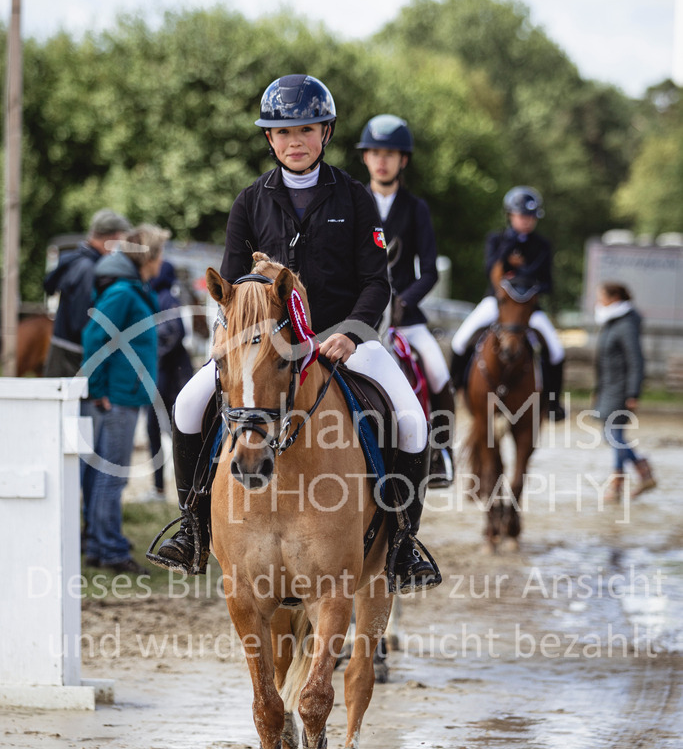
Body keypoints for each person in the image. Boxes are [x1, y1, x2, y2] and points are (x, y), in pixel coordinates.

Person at [152, 73, 441, 593]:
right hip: (265, 347)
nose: (295, 141)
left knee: (412, 420)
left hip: (342, 340)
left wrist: (352, 334)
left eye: (306, 130)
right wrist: (237, 338)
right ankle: (192, 527)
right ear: (270, 138)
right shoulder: (250, 201)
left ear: (325, 133)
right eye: (283, 132)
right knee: (187, 406)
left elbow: (377, 282)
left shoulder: (355, 198)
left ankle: (403, 543)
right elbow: (231, 285)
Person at [357, 114, 455, 487]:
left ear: (404, 160)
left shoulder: (416, 209)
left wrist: (403, 301)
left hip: (405, 316)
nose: (381, 160)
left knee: (438, 371)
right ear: (365, 158)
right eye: (375, 153)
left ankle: (441, 452)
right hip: (359, 315)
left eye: (390, 154)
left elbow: (429, 270)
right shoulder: (352, 202)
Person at [80, 224, 168, 573]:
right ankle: (110, 549)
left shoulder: (135, 290)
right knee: (111, 476)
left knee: (107, 475)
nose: (163, 261)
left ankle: (100, 545)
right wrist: (98, 390)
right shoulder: (123, 293)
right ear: (149, 257)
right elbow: (94, 337)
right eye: (160, 253)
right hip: (117, 397)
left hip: (125, 394)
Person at [450, 186, 566, 420]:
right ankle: (455, 388)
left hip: (528, 309)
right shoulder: (497, 239)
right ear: (510, 215)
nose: (526, 221)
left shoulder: (542, 245)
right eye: (522, 216)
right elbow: (489, 270)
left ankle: (553, 402)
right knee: (460, 340)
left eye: (531, 217)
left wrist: (522, 273)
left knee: (556, 350)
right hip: (496, 302)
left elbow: (547, 283)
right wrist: (508, 248)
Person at [43, 208, 131, 377]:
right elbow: (82, 321)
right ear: (111, 237)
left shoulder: (78, 260)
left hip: (64, 349)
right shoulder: (88, 269)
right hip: (73, 356)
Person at [594, 281, 656, 502]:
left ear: (614, 298)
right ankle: (640, 472)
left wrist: (633, 392)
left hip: (621, 389)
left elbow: (635, 360)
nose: (599, 301)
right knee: (612, 434)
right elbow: (604, 360)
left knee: (613, 434)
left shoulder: (626, 324)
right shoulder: (612, 322)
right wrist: (598, 389)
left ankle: (621, 481)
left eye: (601, 297)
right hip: (609, 387)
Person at [139, 260, 194, 501]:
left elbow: (175, 332)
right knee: (161, 431)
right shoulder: (161, 297)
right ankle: (162, 488)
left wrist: (152, 354)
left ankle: (180, 489)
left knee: (165, 431)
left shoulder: (165, 298)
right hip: (167, 377)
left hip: (169, 378)